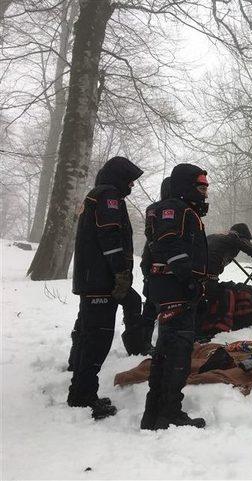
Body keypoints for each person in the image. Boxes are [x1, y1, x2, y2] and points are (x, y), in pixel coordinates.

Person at [67, 156, 143, 420]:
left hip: (93, 279)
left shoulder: (97, 195)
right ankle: (83, 394)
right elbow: (110, 235)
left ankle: (79, 386)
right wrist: (120, 271)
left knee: (89, 332)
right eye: (130, 180)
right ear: (119, 177)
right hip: (101, 280)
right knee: (97, 338)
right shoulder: (108, 196)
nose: (132, 185)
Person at [140, 163, 210, 430]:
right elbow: (168, 243)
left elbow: (155, 248)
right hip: (175, 289)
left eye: (205, 186)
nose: (204, 191)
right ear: (185, 186)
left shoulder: (184, 211)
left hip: (173, 288)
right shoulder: (174, 210)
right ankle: (167, 413)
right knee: (176, 353)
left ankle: (155, 413)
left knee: (167, 351)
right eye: (200, 186)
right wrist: (188, 280)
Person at [139, 177, 173, 355]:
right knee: (165, 308)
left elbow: (150, 238)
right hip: (164, 264)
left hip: (150, 260)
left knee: (151, 306)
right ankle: (159, 345)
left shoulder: (152, 209)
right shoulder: (173, 210)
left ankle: (144, 342)